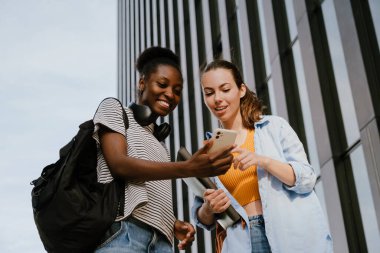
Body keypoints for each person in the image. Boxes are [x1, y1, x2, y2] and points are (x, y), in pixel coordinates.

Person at [92, 47, 234, 253]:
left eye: (177, 91)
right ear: (142, 83)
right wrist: (188, 168)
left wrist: (173, 223)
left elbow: (145, 194)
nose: (170, 94)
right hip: (122, 234)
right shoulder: (114, 109)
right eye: (162, 84)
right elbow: (119, 164)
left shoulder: (161, 144)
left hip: (162, 243)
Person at [192, 59, 333, 253]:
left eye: (225, 89)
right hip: (241, 242)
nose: (217, 98)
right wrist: (209, 208)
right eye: (209, 93)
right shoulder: (211, 150)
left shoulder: (274, 127)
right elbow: (202, 218)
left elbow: (307, 179)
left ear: (241, 90)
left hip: (288, 235)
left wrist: (263, 161)